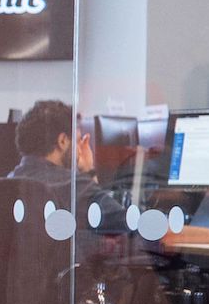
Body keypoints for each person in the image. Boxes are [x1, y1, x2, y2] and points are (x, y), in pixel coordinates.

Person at [7, 99, 129, 233]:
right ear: (63, 141)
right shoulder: (72, 185)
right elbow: (125, 222)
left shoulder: (8, 181)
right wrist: (89, 171)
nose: (79, 149)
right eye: (77, 140)